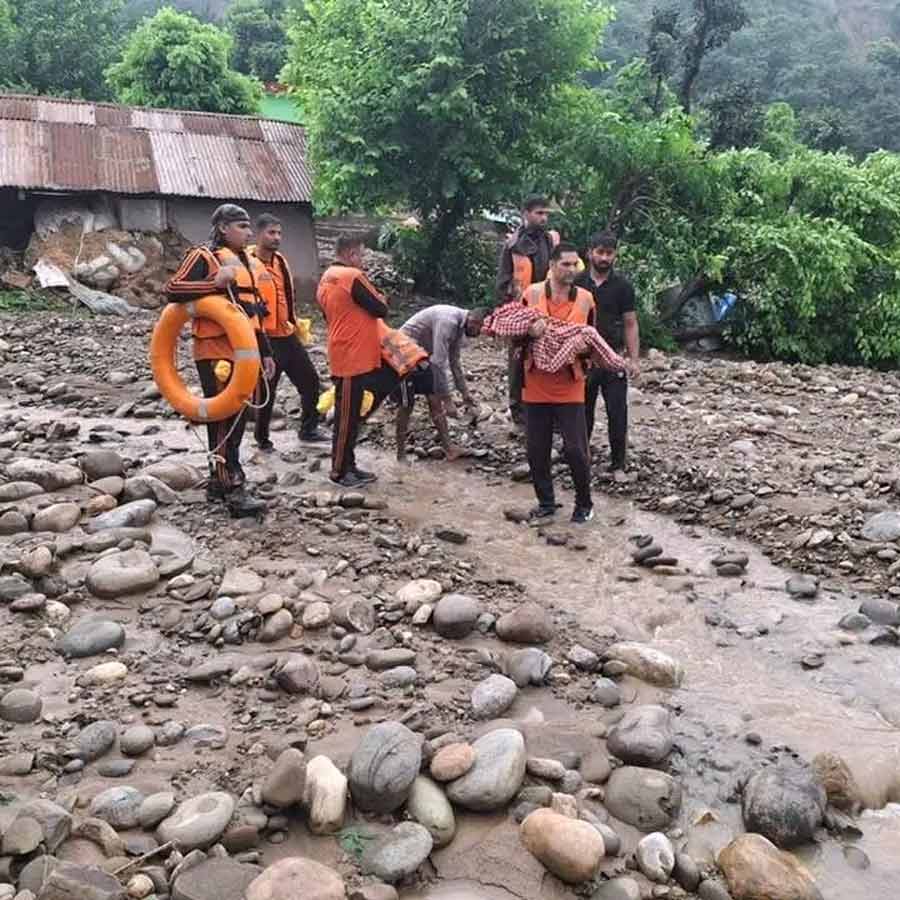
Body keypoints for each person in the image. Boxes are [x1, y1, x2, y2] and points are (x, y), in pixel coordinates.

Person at [165, 204, 274, 517]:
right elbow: (173, 288)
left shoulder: (246, 262)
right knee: (225, 419)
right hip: (215, 351)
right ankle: (231, 489)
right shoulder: (203, 256)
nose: (249, 233)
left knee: (238, 420)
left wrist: (265, 352)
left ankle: (218, 481)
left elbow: (254, 313)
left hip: (246, 351)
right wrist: (213, 284)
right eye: (242, 226)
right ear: (223, 228)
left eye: (249, 227)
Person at [522, 242, 596, 524]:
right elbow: (513, 333)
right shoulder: (531, 294)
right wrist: (530, 332)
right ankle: (546, 502)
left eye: (574, 264)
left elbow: (594, 341)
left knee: (576, 448)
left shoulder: (587, 299)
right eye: (565, 264)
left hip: (570, 384)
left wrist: (581, 350)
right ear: (552, 265)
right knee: (536, 449)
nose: (571, 270)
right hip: (536, 382)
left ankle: (584, 503)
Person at [249, 213, 326, 449]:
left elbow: (286, 297)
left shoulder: (280, 261)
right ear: (258, 234)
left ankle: (308, 429)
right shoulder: (246, 262)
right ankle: (262, 439)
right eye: (271, 233)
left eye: (279, 233)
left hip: (286, 334)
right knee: (266, 392)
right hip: (263, 339)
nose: (276, 238)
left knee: (311, 382)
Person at [316, 234, 388, 488]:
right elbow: (381, 307)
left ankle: (349, 465)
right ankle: (338, 471)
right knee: (347, 417)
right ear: (350, 254)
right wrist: (382, 298)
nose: (363, 261)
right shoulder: (352, 277)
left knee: (350, 413)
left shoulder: (326, 277)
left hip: (344, 351)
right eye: (361, 255)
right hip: (352, 356)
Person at [576, 231, 640, 481]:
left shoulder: (623, 286)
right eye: (600, 252)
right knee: (582, 410)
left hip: (613, 357)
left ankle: (618, 463)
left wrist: (634, 359)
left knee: (617, 411)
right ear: (589, 252)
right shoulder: (578, 282)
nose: (604, 258)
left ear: (615, 255)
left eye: (609, 253)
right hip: (583, 358)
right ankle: (582, 457)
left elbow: (631, 323)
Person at [495, 195, 560, 425]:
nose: (544, 218)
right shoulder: (513, 245)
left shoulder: (551, 242)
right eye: (539, 213)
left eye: (546, 214)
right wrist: (507, 315)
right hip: (521, 310)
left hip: (548, 309)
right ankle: (519, 412)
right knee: (518, 359)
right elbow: (503, 283)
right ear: (526, 214)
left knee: (548, 356)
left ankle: (545, 408)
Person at [400, 304, 488, 417]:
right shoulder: (448, 321)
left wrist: (465, 393)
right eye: (479, 329)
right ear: (474, 321)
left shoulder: (460, 327)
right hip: (402, 349)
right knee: (420, 395)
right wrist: (448, 400)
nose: (479, 333)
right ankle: (401, 432)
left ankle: (440, 425)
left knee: (433, 389)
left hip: (420, 352)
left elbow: (455, 363)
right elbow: (438, 362)